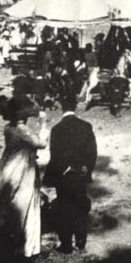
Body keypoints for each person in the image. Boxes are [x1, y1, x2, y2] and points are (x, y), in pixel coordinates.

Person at [0, 96, 48, 263]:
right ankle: (20, 244)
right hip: (22, 167)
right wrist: (43, 126)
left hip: (8, 163)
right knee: (22, 200)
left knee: (1, 196)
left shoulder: (9, 128)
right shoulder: (22, 130)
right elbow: (40, 144)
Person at [44, 99, 97, 254]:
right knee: (80, 207)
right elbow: (92, 152)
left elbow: (55, 155)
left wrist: (63, 169)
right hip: (80, 174)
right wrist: (86, 169)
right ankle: (81, 242)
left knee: (64, 208)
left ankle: (66, 243)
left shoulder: (57, 129)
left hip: (64, 176)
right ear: (75, 108)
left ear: (62, 108)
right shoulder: (86, 126)